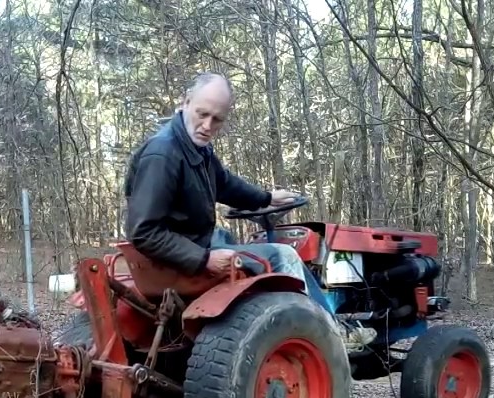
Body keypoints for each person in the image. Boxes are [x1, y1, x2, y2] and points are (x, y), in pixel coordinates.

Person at [122, 72, 337, 316]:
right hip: (179, 261)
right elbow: (144, 232)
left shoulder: (195, 146)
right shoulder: (163, 155)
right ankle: (324, 326)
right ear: (186, 102)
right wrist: (203, 259)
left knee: (224, 235)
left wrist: (266, 198)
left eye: (217, 119)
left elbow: (223, 183)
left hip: (193, 242)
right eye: (202, 114)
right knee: (283, 254)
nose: (207, 126)